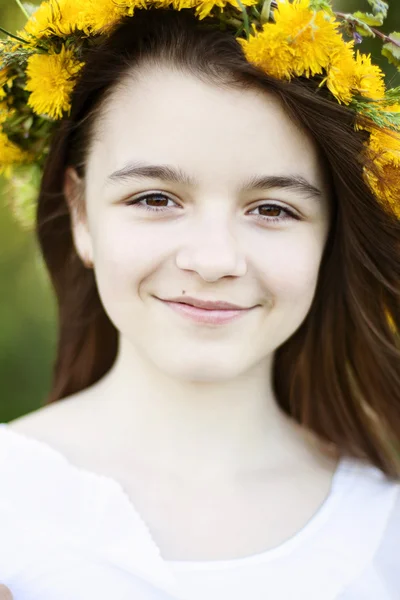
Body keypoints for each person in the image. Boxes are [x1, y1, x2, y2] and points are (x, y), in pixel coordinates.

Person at [0, 1, 399, 599]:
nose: (214, 260)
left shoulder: (385, 529)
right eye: (155, 199)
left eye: (272, 209)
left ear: (329, 236)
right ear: (81, 214)